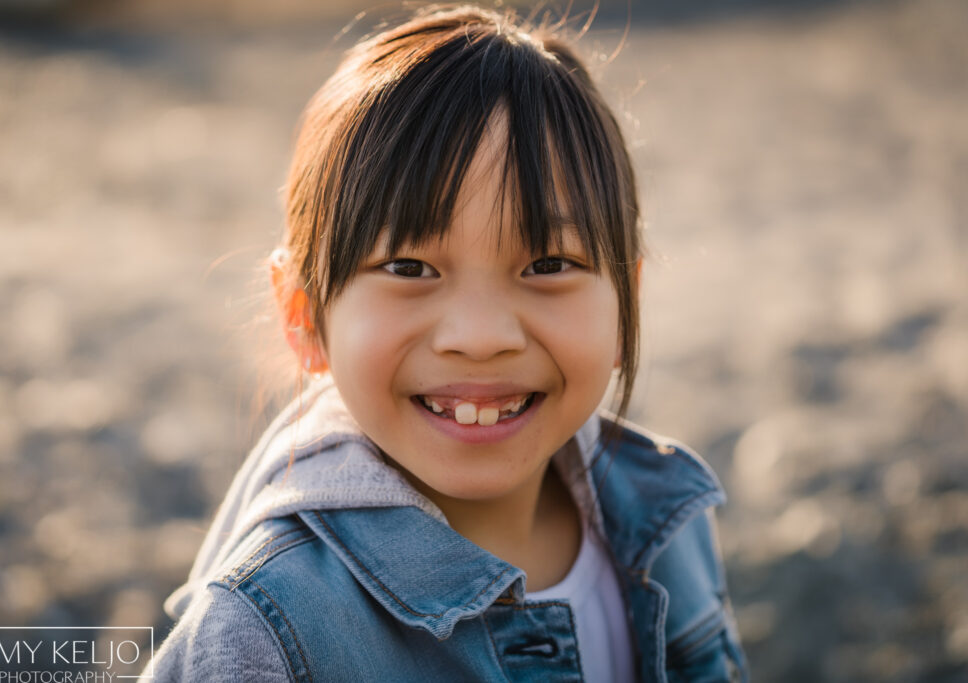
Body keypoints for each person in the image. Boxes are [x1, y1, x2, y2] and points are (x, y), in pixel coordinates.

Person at [148, 5, 747, 682]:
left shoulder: (669, 519)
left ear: (626, 300)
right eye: (409, 268)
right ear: (304, 314)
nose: (480, 337)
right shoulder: (268, 630)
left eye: (548, 264)